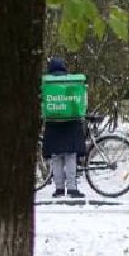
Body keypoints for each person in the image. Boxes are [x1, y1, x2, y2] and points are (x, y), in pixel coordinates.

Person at [41, 57, 86, 199]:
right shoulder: (70, 82)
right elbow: (77, 102)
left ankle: (59, 188)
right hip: (70, 124)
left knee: (56, 158)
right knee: (70, 156)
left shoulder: (46, 83)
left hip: (53, 124)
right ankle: (72, 188)